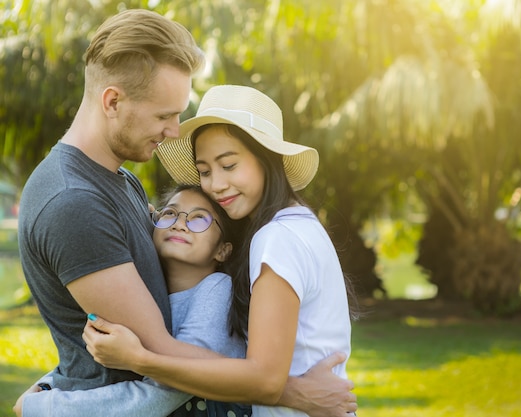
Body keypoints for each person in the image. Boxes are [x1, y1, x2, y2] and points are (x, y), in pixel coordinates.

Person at [15, 8, 355, 417]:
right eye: (164, 115)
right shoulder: (73, 202)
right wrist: (292, 393)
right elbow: (155, 349)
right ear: (112, 101)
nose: (175, 130)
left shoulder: (122, 182)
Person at [81, 84, 357, 417]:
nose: (215, 185)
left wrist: (139, 359)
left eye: (229, 166)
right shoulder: (296, 225)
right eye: (205, 171)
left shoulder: (278, 237)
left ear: (266, 160)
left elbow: (265, 379)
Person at [16, 184, 252, 417]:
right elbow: (83, 356)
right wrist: (48, 383)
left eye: (199, 218)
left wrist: (46, 408)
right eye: (169, 213)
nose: (180, 223)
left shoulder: (217, 288)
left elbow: (172, 388)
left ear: (223, 250)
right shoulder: (145, 289)